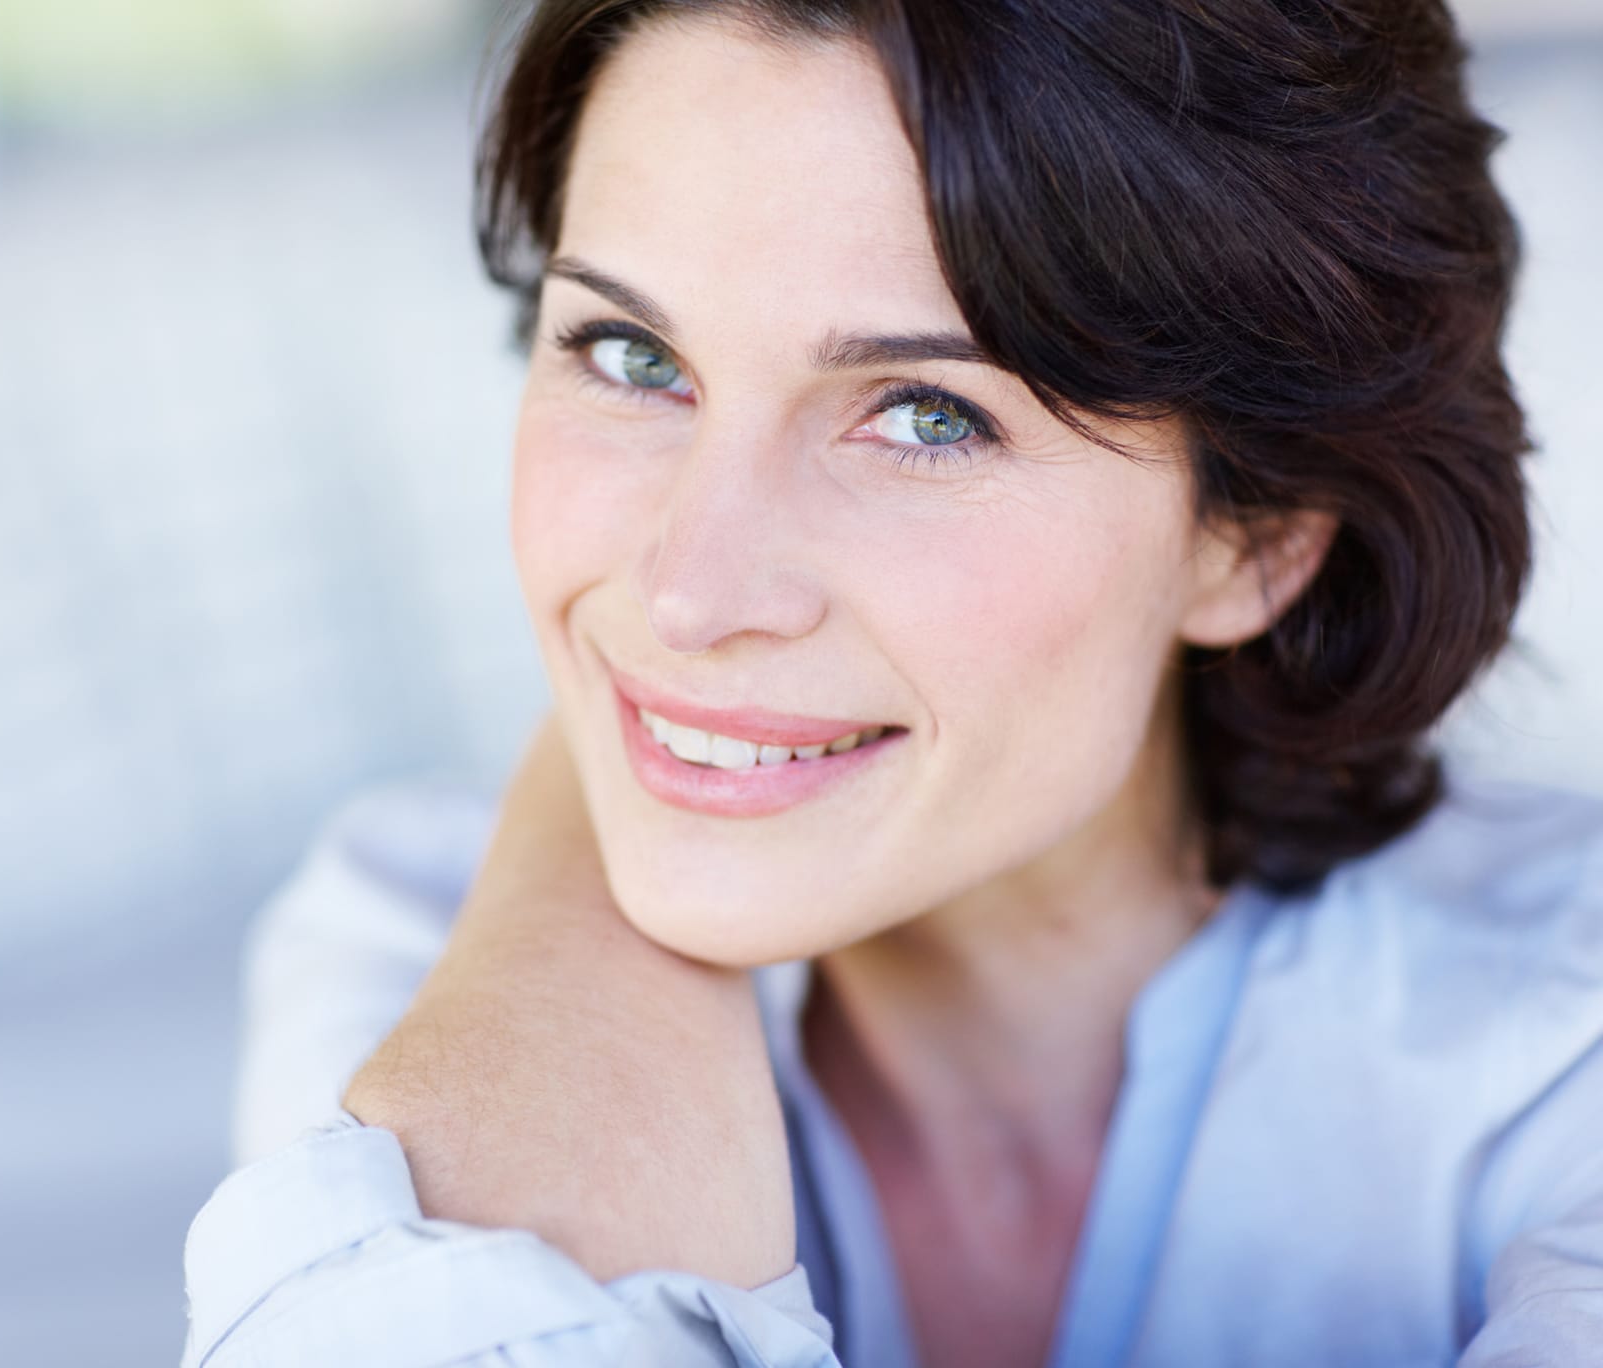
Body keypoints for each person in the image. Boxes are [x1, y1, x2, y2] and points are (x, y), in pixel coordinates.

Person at [181, 1, 1603, 1364]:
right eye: (630, 355)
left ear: (1263, 535)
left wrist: (656, 717)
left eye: (928, 416)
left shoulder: (1561, 1038)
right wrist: (632, 755)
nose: (691, 588)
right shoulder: (414, 930)